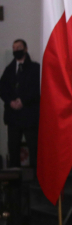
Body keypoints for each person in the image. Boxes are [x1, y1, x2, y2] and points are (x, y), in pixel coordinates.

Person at [0, 39, 40, 168]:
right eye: (14, 48)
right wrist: (10, 101)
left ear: (25, 49)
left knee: (34, 149)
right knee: (13, 149)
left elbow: (36, 89)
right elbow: (2, 88)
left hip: (30, 116)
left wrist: (23, 100)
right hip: (13, 117)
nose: (16, 50)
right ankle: (14, 184)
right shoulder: (9, 69)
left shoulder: (35, 68)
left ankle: (36, 181)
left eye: (19, 47)